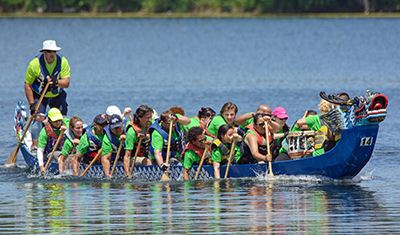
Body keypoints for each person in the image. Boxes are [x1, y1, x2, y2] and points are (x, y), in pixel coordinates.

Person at [24, 40, 71, 152]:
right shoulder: (34, 64)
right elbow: (27, 85)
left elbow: (66, 83)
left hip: (57, 94)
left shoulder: (63, 62)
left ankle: (61, 145)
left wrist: (56, 82)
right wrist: (31, 104)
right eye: (49, 51)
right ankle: (35, 146)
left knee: (61, 118)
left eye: (54, 51)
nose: (52, 54)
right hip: (40, 95)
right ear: (44, 52)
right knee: (39, 116)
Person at [123, 105, 153, 177]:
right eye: (147, 118)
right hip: (134, 157)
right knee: (147, 161)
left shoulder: (151, 125)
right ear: (139, 118)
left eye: (150, 117)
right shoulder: (132, 131)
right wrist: (127, 174)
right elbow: (127, 155)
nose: (150, 120)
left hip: (149, 155)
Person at [36, 108, 69, 174]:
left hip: (65, 151)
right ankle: (63, 171)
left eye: (59, 120)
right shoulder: (44, 131)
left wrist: (67, 131)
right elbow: (40, 150)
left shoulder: (67, 123)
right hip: (51, 153)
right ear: (50, 120)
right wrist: (41, 166)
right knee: (57, 154)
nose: (58, 123)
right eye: (55, 121)